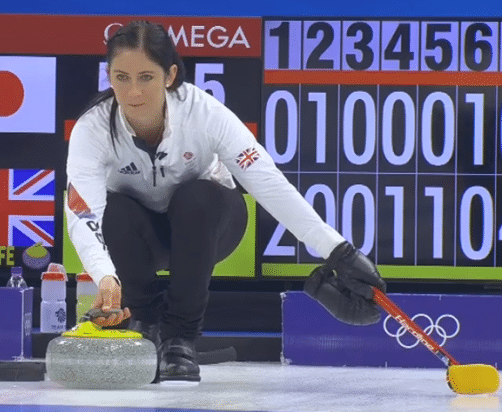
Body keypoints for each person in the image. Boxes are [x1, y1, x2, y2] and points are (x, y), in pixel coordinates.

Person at [64, 20, 386, 384]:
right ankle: (145, 324)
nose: (133, 92)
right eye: (121, 78)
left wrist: (338, 251)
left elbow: (266, 181)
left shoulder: (204, 113)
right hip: (143, 239)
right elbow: (82, 212)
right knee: (115, 209)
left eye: (146, 77)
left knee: (197, 197)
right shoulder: (92, 130)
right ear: (109, 76)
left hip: (209, 227)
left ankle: (180, 339)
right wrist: (105, 277)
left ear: (170, 75)